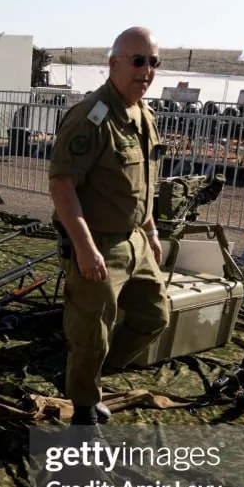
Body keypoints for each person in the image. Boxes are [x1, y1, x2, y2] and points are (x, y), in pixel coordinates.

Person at [48, 27, 171, 426]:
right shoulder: (92, 117)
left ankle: (83, 379)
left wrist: (151, 233)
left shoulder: (144, 116)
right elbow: (62, 184)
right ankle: (83, 411)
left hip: (135, 238)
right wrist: (84, 247)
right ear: (114, 63)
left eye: (153, 61)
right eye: (138, 61)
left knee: (155, 316)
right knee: (92, 333)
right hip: (99, 243)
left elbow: (143, 185)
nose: (146, 70)